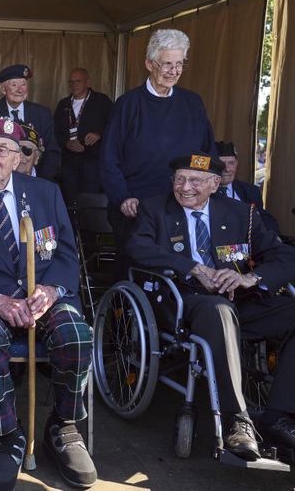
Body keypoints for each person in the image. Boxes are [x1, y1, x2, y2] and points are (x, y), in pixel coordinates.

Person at [0, 118, 96, 489]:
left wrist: (52, 290)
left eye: (3, 150)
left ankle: (63, 426)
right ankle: (6, 436)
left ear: (18, 158)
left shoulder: (45, 193)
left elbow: (67, 255)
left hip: (43, 295)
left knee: (76, 334)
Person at [126, 153, 295, 460]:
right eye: (179, 179)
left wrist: (251, 279)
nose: (184, 187)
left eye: (195, 180)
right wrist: (192, 267)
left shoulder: (241, 214)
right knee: (219, 311)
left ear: (216, 184)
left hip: (242, 301)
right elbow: (138, 247)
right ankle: (236, 419)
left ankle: (279, 415)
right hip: (187, 302)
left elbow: (284, 256)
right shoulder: (155, 208)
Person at [101, 29, 217, 276]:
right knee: (140, 274)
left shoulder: (192, 103)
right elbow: (109, 159)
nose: (173, 71)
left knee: (190, 271)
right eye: (167, 64)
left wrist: (199, 186)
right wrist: (123, 198)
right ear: (149, 64)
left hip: (184, 203)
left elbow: (205, 155)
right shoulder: (128, 105)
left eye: (179, 64)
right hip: (139, 207)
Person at [0, 64, 60, 181]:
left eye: (23, 84)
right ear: (3, 89)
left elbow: (52, 151)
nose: (20, 89)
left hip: (35, 180)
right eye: (14, 85)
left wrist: (41, 181)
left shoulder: (42, 113)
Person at [53, 68, 113, 204]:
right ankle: (72, 225)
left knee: (90, 200)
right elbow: (55, 132)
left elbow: (115, 125)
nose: (74, 85)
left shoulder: (101, 101)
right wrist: (67, 143)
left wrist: (99, 134)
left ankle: (90, 225)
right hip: (69, 162)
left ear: (88, 82)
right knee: (70, 199)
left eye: (78, 81)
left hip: (94, 161)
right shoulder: (64, 104)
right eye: (71, 82)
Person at [215, 141, 280, 235]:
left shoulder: (251, 191)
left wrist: (274, 237)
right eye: (221, 163)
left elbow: (262, 217)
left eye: (231, 163)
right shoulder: (203, 193)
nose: (227, 169)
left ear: (237, 164)